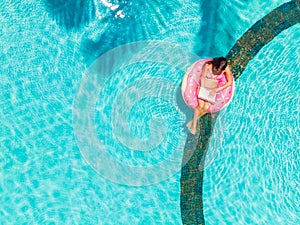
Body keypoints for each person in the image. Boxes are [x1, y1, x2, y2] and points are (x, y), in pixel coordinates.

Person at [186, 57, 233, 135]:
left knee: (206, 107)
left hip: (214, 88)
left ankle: (192, 122)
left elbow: (229, 82)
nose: (216, 71)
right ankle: (194, 126)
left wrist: (216, 89)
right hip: (204, 86)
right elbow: (203, 78)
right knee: (200, 105)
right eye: (216, 69)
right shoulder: (208, 66)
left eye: (219, 71)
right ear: (214, 65)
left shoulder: (225, 68)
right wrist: (200, 90)